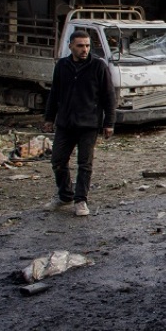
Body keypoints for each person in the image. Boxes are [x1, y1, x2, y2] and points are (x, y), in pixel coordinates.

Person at [43, 30, 116, 217]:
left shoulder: (98, 67)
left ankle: (81, 200)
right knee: (58, 160)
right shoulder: (62, 66)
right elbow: (54, 94)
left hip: (89, 123)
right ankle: (65, 195)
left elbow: (109, 97)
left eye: (87, 46)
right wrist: (49, 119)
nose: (84, 49)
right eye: (80, 46)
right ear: (70, 46)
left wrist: (109, 123)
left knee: (85, 164)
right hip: (66, 123)